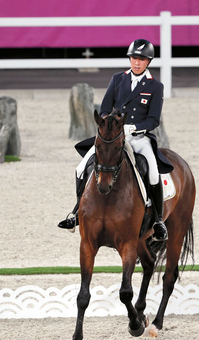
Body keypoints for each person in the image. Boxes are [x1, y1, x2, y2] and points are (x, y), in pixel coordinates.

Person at [58, 39, 169, 241]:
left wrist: (134, 127)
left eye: (141, 59)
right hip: (114, 136)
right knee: (81, 167)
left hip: (138, 138)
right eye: (134, 58)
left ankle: (158, 220)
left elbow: (153, 119)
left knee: (153, 171)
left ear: (148, 62)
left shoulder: (155, 86)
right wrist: (112, 124)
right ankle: (76, 212)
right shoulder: (118, 79)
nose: (136, 63)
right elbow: (105, 108)